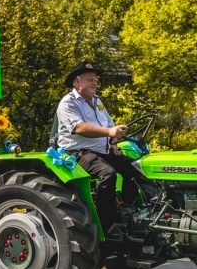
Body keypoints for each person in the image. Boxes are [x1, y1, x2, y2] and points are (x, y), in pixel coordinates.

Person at [55, 60, 152, 231]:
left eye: (95, 80)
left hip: (102, 150)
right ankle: (108, 224)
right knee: (108, 174)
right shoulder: (68, 103)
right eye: (90, 79)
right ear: (77, 82)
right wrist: (109, 133)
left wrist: (114, 140)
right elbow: (79, 127)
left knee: (135, 168)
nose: (95, 83)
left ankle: (128, 210)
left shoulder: (97, 102)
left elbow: (109, 125)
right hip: (76, 152)